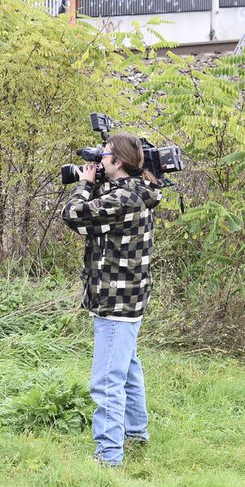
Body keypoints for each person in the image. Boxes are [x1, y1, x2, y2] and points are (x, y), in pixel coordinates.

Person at [61, 133, 162, 467]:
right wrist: (93, 184)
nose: (99, 161)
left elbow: (73, 215)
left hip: (116, 298)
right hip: (128, 295)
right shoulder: (136, 193)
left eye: (104, 156)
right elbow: (94, 225)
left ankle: (109, 458)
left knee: (106, 382)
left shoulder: (120, 199)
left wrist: (84, 184)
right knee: (128, 368)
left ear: (118, 161)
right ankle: (135, 433)